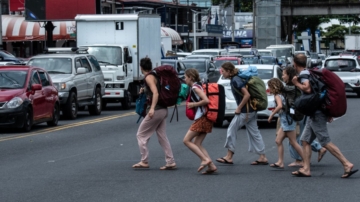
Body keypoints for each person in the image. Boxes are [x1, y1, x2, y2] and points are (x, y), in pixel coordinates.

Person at [291, 53, 358, 178]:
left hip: (316, 113)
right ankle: (306, 168)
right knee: (305, 140)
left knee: (325, 141)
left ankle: (346, 163)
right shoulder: (310, 72)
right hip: (315, 112)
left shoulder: (304, 74)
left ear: (295, 63)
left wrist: (296, 83)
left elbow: (308, 89)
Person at [216, 62, 268, 165]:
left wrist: (239, 108)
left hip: (245, 111)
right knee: (255, 133)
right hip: (252, 110)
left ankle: (229, 156)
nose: (222, 73)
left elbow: (247, 95)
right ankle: (262, 156)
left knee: (232, 129)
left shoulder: (236, 80)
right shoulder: (236, 79)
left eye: (223, 71)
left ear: (229, 71)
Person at [132, 57, 176, 170]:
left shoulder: (149, 77)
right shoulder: (155, 75)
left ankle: (144, 161)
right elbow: (154, 90)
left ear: (141, 67)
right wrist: (144, 90)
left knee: (141, 135)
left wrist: (151, 109)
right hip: (163, 110)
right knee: (162, 136)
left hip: (156, 110)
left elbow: (155, 93)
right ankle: (170, 161)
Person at [280, 66, 327, 167]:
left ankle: (301, 160)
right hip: (301, 112)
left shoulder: (292, 85)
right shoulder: (296, 83)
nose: (282, 76)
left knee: (296, 137)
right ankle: (318, 148)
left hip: (297, 113)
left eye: (284, 74)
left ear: (289, 75)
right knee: (302, 135)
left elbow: (283, 91)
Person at [183, 68, 217, 174]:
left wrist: (194, 104)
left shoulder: (195, 87)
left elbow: (206, 100)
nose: (184, 80)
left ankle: (205, 159)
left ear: (190, 78)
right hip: (206, 118)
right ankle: (211, 166)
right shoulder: (199, 85)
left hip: (202, 118)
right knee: (197, 143)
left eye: (185, 77)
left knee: (186, 141)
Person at [267, 78, 305, 169]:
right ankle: (280, 162)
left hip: (287, 120)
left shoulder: (277, 95)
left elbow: (280, 106)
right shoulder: (282, 94)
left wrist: (272, 115)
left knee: (293, 142)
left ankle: (305, 161)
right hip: (286, 119)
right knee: (278, 141)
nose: (269, 89)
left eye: (269, 87)